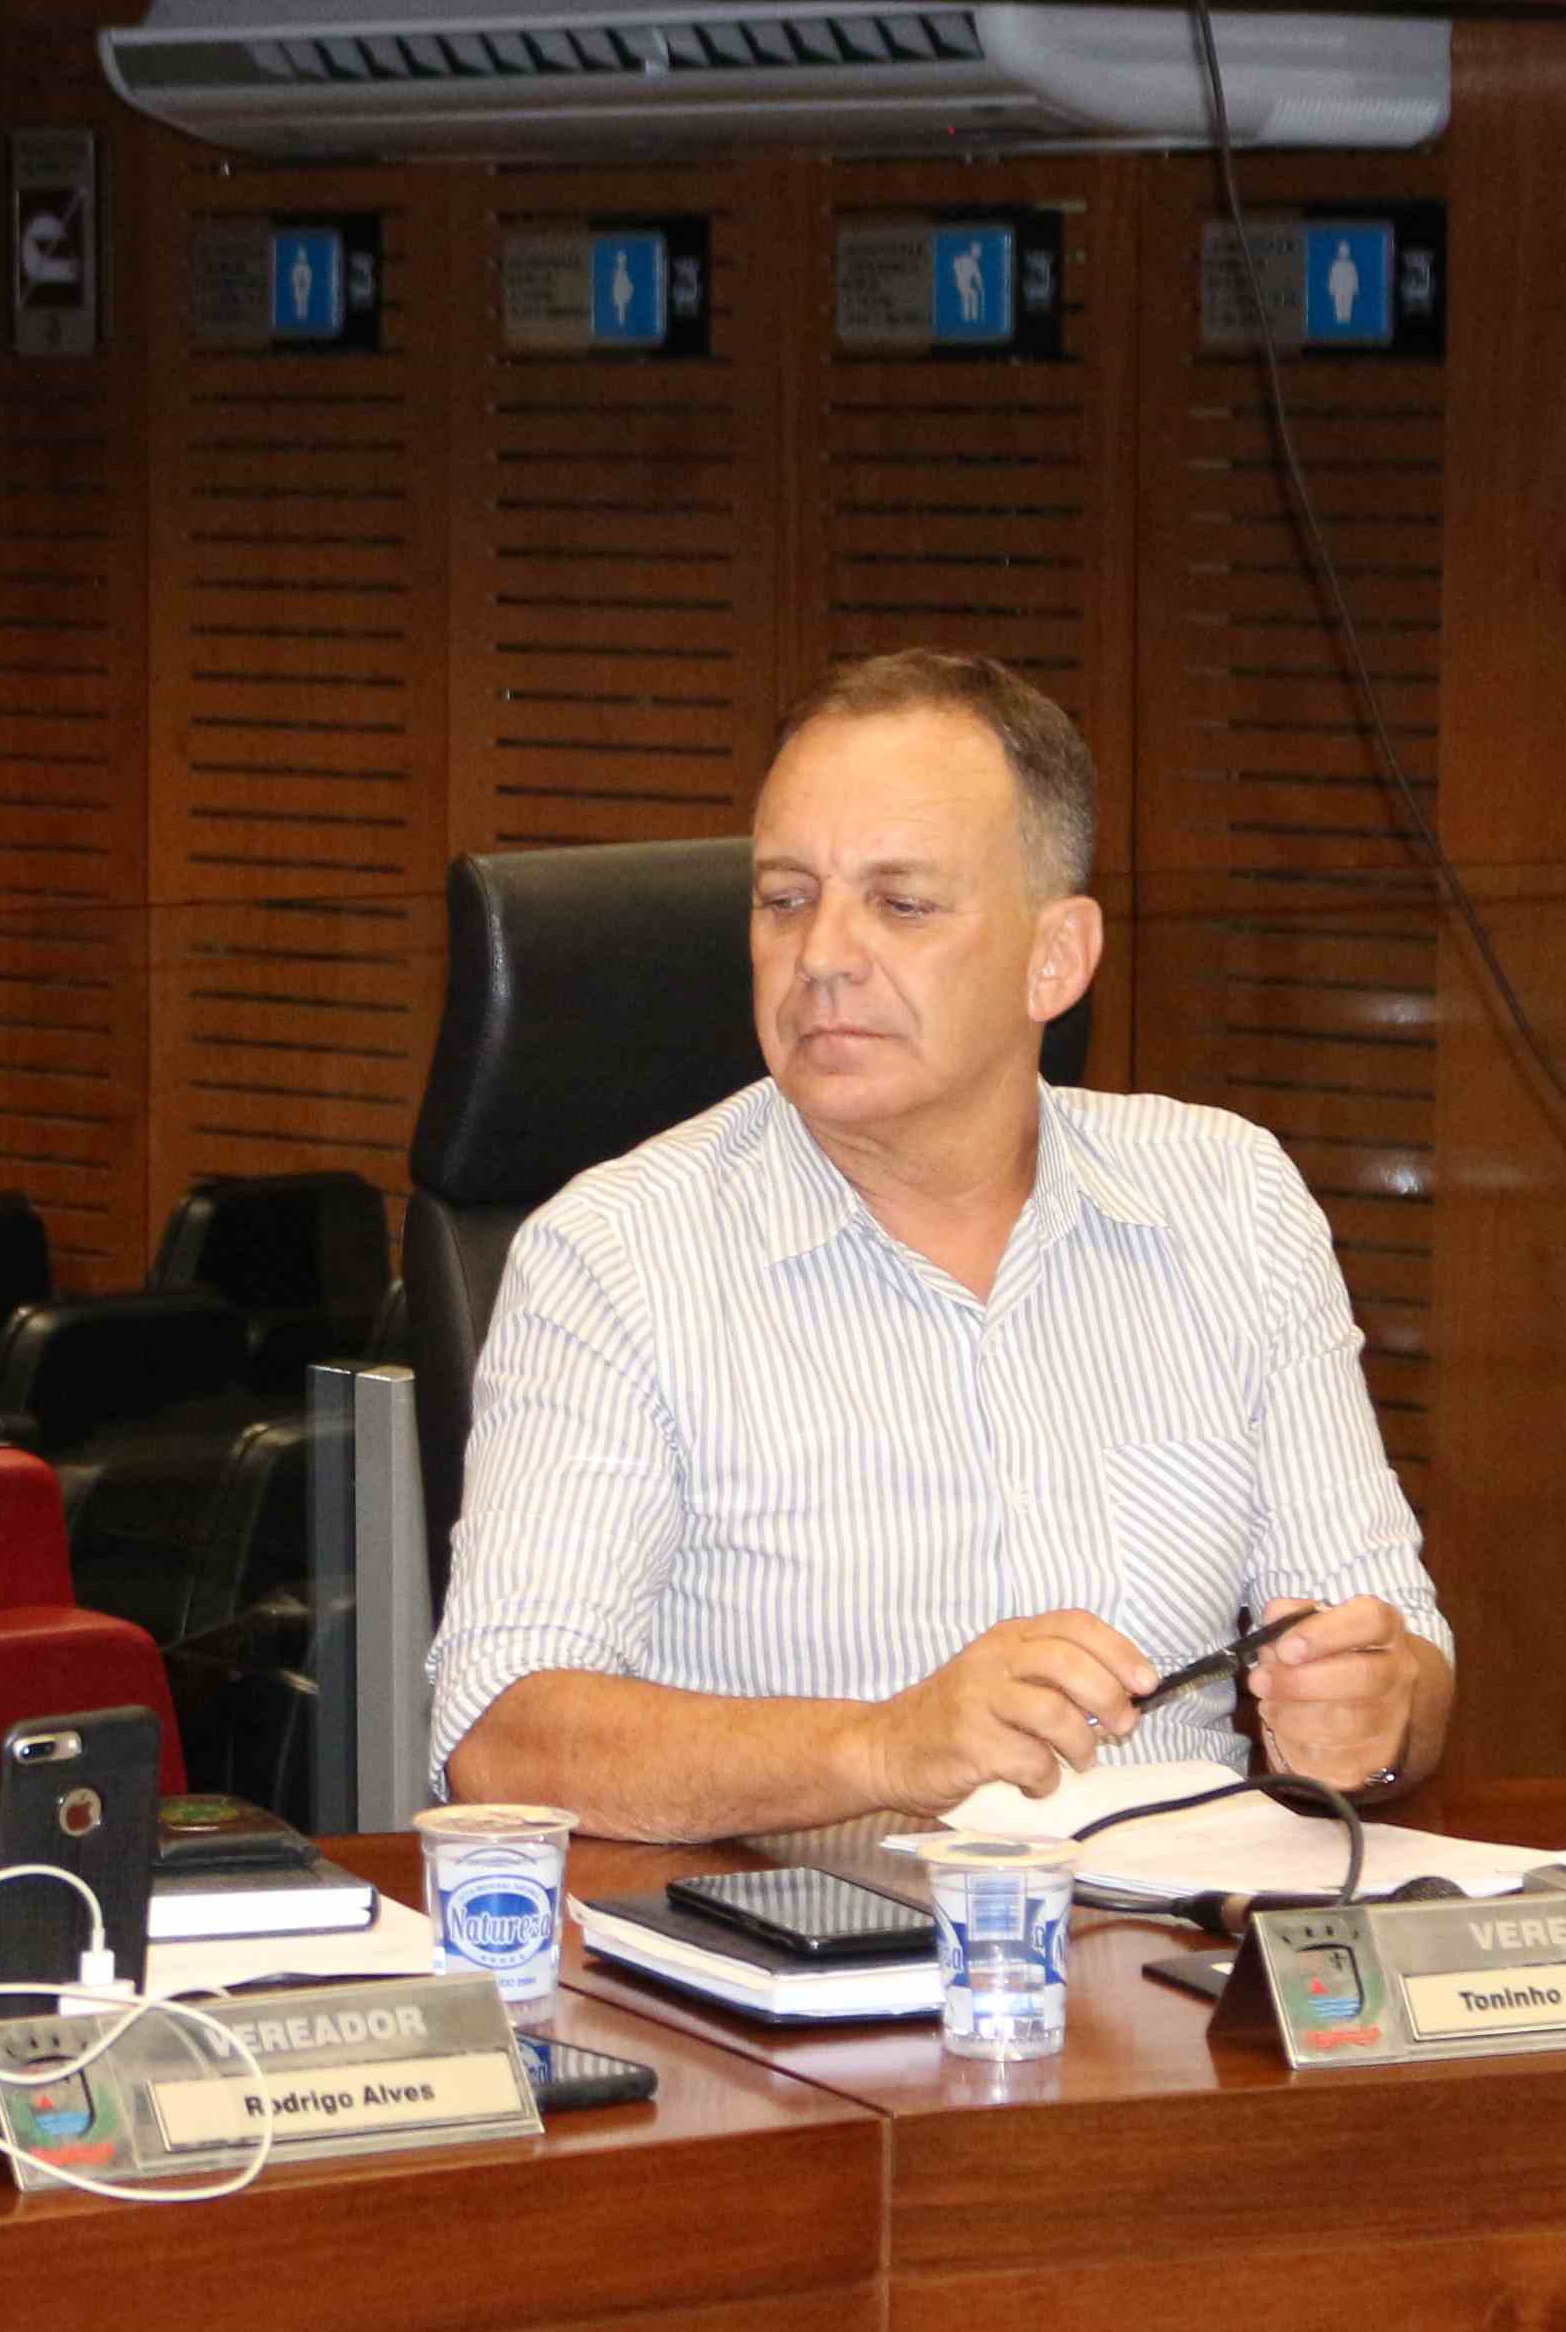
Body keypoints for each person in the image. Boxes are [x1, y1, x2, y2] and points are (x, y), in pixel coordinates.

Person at [430, 647, 1453, 1837]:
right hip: (811, 1930)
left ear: (1054, 959)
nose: (821, 956)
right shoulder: (617, 1253)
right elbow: (503, 1736)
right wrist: (884, 1745)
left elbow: (1401, 1652)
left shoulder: (1229, 1199)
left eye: (901, 904)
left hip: (1171, 1921)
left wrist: (1376, 1712)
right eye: (785, 898)